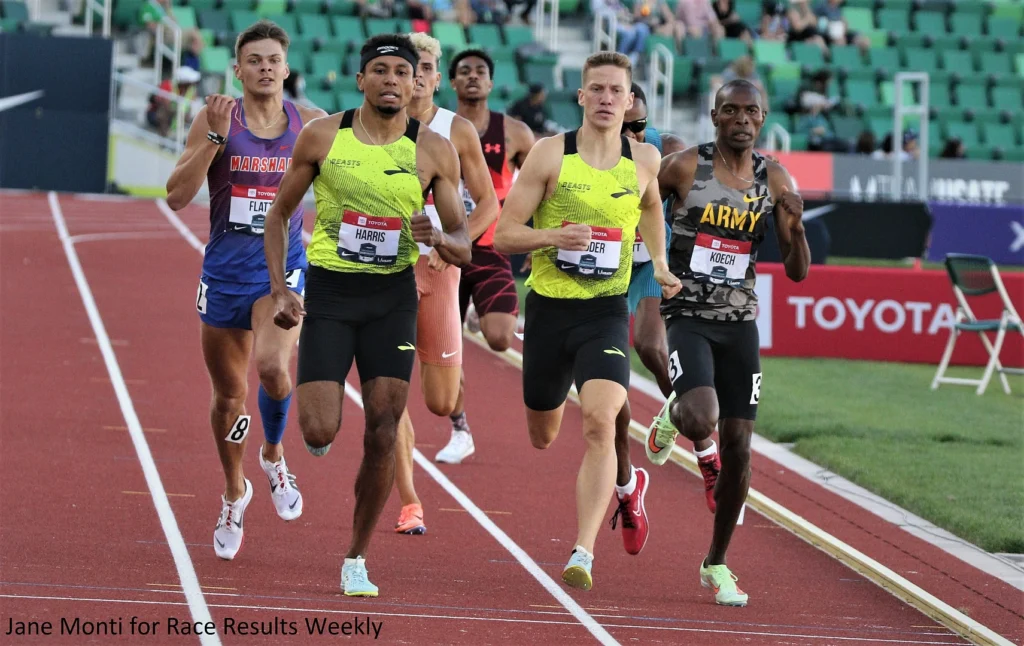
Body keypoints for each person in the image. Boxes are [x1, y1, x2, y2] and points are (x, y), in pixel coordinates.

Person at [262, 34, 472, 597]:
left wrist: (440, 237)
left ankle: (356, 555)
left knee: (383, 429)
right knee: (320, 427)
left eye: (401, 73)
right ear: (361, 80)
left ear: (415, 84)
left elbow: (463, 245)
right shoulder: (323, 136)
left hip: (393, 299)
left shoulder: (433, 151)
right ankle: (317, 433)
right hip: (331, 295)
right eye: (378, 70)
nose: (390, 81)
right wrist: (282, 290)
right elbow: (279, 215)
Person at [493, 52, 681, 591]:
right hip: (550, 311)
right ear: (581, 97)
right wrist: (553, 236)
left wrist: (661, 264)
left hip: (605, 310)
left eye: (614, 91)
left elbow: (649, 208)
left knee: (601, 422)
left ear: (628, 101)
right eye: (595, 89)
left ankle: (584, 551)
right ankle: (617, 491)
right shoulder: (552, 154)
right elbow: (505, 234)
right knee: (542, 435)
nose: (604, 98)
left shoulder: (645, 158)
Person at [164, 19, 327, 561]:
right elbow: (176, 197)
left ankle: (275, 455)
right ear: (237, 69)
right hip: (224, 276)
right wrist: (211, 139)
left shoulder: (311, 124)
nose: (263, 68)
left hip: (279, 275)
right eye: (252, 60)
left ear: (285, 68)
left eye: (272, 60)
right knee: (229, 398)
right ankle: (235, 490)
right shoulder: (216, 119)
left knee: (275, 370)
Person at [648, 79, 810, 606]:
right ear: (715, 115)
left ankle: (716, 562)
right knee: (701, 418)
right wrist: (651, 268)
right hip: (688, 314)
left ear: (762, 119)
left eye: (752, 112)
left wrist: (798, 227)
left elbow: (797, 271)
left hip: (739, 321)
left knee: (739, 448)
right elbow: (641, 215)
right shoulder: (681, 168)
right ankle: (676, 413)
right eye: (731, 110)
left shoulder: (775, 179)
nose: (742, 119)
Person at [391, 33, 500, 536]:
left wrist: (449, 246)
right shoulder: (371, 124)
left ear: (437, 78)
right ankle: (409, 499)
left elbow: (489, 205)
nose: (416, 75)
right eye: (410, 66)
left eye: (427, 67)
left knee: (439, 399)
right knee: (387, 391)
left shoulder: (454, 131)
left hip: (439, 267)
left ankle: (455, 394)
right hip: (384, 270)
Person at [619, 83, 722, 517]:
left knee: (648, 344)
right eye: (624, 128)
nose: (631, 136)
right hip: (610, 264)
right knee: (606, 378)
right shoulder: (585, 153)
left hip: (654, 263)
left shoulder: (673, 152)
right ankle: (668, 418)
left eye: (639, 126)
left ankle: (707, 454)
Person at [431, 48, 535, 465]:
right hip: (445, 250)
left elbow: (540, 188)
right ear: (451, 82)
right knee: (447, 354)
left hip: (489, 247)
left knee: (497, 336)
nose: (473, 78)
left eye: (481, 72)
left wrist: (531, 239)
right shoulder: (435, 128)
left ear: (491, 83)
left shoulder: (514, 133)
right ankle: (461, 429)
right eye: (464, 72)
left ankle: (477, 311)